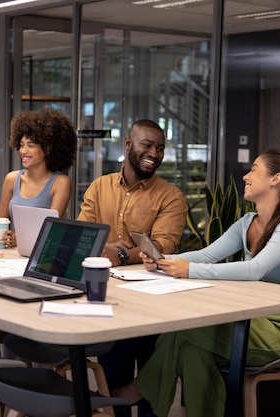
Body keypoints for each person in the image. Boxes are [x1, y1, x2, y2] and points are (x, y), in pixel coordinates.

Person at [113, 149, 280, 417]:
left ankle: (136, 390)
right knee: (191, 352)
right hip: (252, 318)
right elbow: (206, 255)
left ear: (275, 179)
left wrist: (189, 270)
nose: (246, 176)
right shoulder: (248, 222)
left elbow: (255, 269)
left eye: (254, 169)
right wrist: (163, 260)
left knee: (183, 329)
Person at [77, 119, 188, 417]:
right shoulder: (100, 187)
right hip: (112, 298)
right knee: (113, 380)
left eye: (160, 148)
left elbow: (162, 245)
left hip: (154, 301)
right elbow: (85, 233)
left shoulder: (171, 197)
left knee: (151, 387)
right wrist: (109, 250)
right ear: (128, 144)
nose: (154, 153)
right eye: (147, 145)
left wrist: (123, 256)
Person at [0, 107, 77, 247]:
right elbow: (1, 224)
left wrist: (19, 239)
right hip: (12, 254)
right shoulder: (11, 179)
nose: (23, 151)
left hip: (42, 254)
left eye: (31, 145)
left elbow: (51, 231)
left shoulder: (61, 183)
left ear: (48, 148)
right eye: (21, 145)